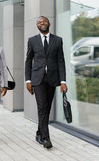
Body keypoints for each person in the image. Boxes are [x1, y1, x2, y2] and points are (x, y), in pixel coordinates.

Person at [25, 16, 67, 149]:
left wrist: (63, 81)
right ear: (37, 25)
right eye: (39, 22)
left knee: (47, 108)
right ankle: (45, 137)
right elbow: (28, 61)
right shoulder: (32, 40)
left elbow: (61, 61)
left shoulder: (58, 40)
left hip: (53, 79)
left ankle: (38, 132)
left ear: (49, 23)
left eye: (43, 21)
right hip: (38, 79)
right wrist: (28, 80)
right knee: (42, 106)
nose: (41, 23)